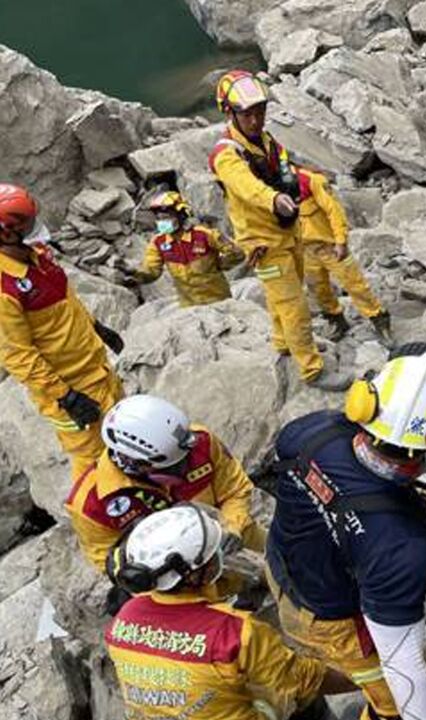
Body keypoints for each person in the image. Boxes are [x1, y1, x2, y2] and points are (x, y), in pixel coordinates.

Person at [263, 344, 426, 720]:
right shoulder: (401, 547)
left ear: (365, 401)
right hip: (332, 619)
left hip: (289, 564)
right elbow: (406, 671)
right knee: (391, 707)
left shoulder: (308, 433)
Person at [105, 504, 355, 720]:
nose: (219, 557)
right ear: (195, 573)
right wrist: (369, 678)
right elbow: (306, 680)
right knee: (299, 698)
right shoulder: (235, 634)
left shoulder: (125, 616)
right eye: (213, 555)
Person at [208, 69, 351, 391]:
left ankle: (282, 341)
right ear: (229, 113)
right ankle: (312, 369)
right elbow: (245, 187)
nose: (256, 120)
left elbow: (283, 168)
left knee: (281, 296)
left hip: (287, 233)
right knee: (293, 304)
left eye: (260, 111)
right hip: (264, 242)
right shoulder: (227, 155)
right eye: (247, 114)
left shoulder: (265, 142)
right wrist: (274, 200)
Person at [0, 183, 125, 480]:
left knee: (124, 441)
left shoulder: (36, 255)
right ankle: (100, 523)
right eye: (27, 224)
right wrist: (67, 397)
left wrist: (96, 327)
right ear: (5, 233)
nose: (36, 228)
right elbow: (19, 357)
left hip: (97, 370)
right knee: (94, 464)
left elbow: (66, 300)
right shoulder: (5, 289)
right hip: (72, 389)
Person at [65, 393, 267, 573]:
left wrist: (233, 527)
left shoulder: (200, 443)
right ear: (133, 462)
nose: (183, 469)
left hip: (235, 538)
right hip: (179, 576)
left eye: (183, 459)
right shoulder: (90, 503)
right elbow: (105, 557)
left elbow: (236, 490)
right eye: (171, 466)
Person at [295, 166, 394, 346]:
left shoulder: (310, 181)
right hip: (305, 249)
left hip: (330, 246)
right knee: (318, 289)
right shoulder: (269, 189)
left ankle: (379, 318)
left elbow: (334, 211)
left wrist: (341, 240)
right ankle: (336, 320)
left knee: (355, 284)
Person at [127, 190, 244, 307]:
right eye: (159, 218)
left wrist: (220, 264)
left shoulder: (203, 235)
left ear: (181, 215)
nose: (162, 221)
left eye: (166, 217)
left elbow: (237, 253)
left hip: (220, 301)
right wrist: (133, 272)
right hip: (189, 307)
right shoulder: (158, 243)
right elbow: (152, 272)